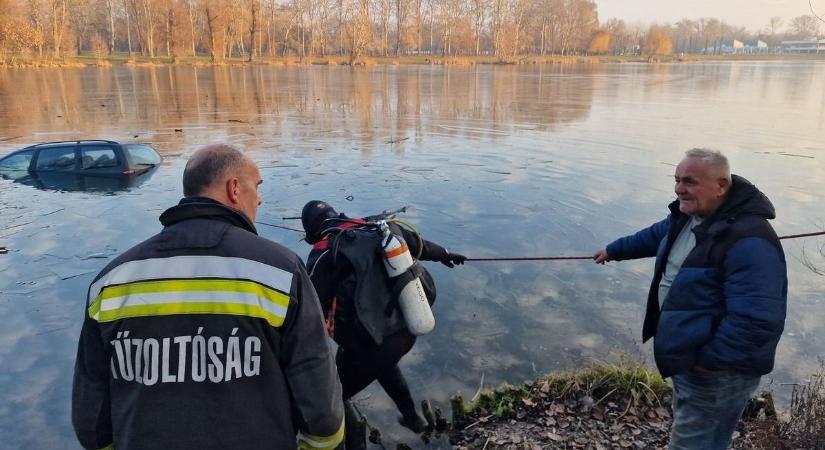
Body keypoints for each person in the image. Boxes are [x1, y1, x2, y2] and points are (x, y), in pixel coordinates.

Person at [72, 144, 344, 450]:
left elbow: (91, 417)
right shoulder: (281, 271)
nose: (260, 198)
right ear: (234, 189)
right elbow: (320, 399)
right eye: (257, 186)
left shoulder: (110, 282)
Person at [593, 148, 787, 450]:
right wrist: (615, 250)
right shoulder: (691, 216)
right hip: (692, 358)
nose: (679, 188)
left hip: (716, 371)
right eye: (677, 180)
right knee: (698, 436)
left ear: (721, 185)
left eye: (690, 181)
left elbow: (757, 320)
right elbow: (657, 234)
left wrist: (708, 364)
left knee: (693, 443)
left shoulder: (750, 240)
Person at [301, 200, 466, 435]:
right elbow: (419, 245)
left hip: (373, 342)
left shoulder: (324, 254)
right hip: (406, 328)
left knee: (333, 398)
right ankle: (412, 419)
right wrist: (446, 254)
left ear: (311, 232)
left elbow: (309, 309)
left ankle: (354, 442)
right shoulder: (376, 228)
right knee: (380, 364)